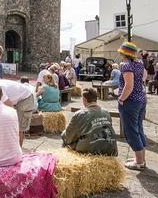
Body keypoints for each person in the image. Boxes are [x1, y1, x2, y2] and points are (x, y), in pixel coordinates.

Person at [117, 42, 147, 170]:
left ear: (124, 54)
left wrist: (121, 99)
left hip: (130, 101)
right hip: (141, 99)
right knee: (138, 128)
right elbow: (144, 76)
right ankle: (141, 159)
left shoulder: (126, 66)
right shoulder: (139, 63)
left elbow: (129, 85)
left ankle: (139, 162)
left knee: (130, 131)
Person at [62, 88, 118, 156]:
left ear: (85, 100)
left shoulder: (79, 114)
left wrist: (63, 134)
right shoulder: (106, 113)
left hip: (89, 151)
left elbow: (68, 137)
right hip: (110, 149)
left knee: (65, 140)